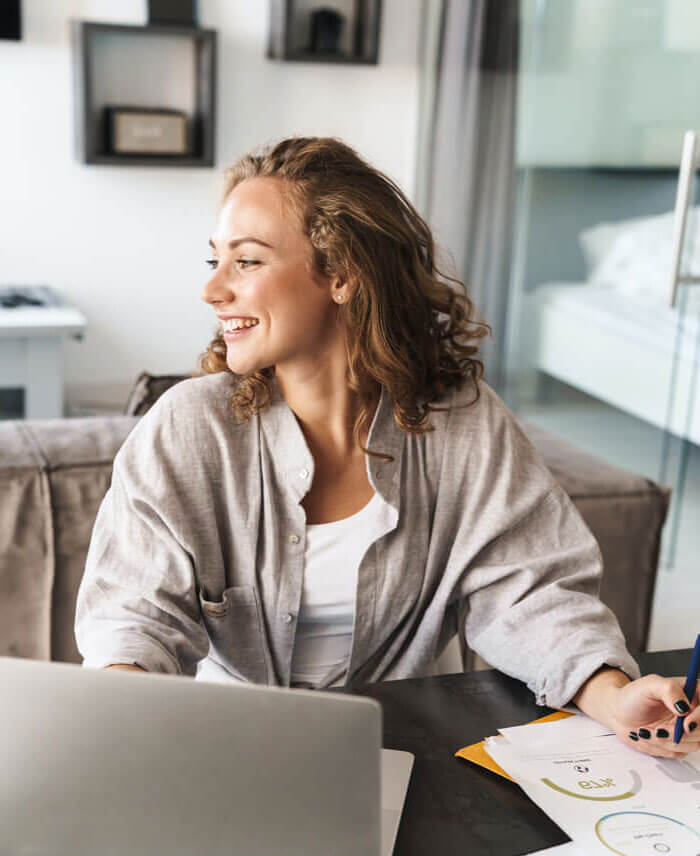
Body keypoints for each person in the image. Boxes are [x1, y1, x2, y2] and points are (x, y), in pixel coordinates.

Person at [74, 136, 699, 760]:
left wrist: (614, 694)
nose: (213, 291)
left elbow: (530, 596)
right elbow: (135, 622)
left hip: (405, 754)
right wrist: (131, 734)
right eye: (214, 261)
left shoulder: (464, 427)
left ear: (341, 274)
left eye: (247, 262)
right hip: (224, 753)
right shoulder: (187, 430)